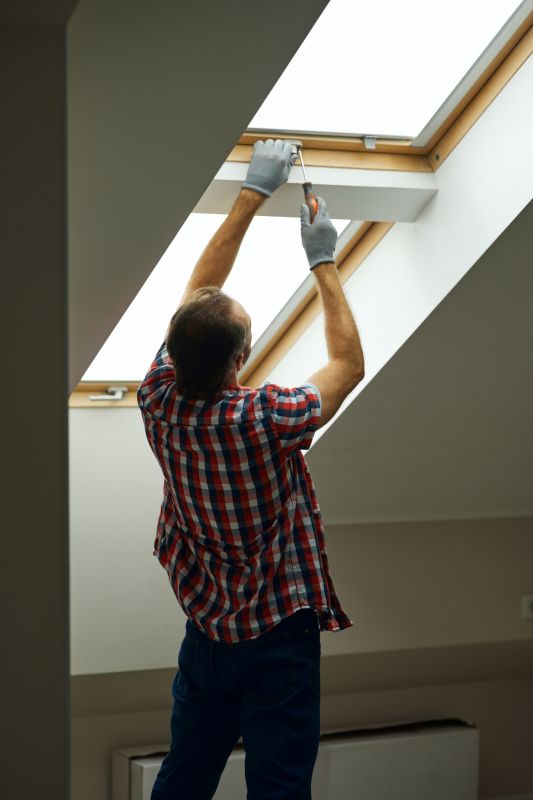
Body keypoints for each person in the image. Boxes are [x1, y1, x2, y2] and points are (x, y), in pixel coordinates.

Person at [138, 139, 365, 800]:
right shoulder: (265, 416)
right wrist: (323, 260)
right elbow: (346, 369)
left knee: (184, 777)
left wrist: (250, 191)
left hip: (207, 631)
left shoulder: (156, 397)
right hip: (276, 640)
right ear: (240, 360)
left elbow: (198, 294)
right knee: (279, 787)